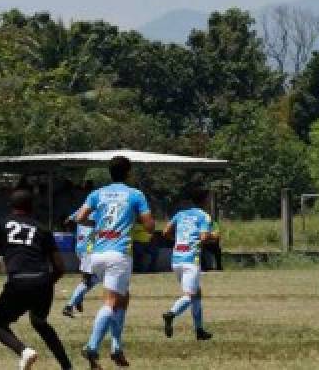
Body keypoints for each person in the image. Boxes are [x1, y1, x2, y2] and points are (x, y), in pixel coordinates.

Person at [72, 155, 154, 369]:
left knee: (123, 298)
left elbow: (79, 218)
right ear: (128, 172)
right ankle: (91, 346)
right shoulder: (135, 195)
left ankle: (117, 348)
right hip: (118, 255)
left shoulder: (97, 194)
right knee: (110, 302)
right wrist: (137, 220)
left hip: (97, 254)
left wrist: (97, 222)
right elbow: (149, 226)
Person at [0, 188, 74, 370]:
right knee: (40, 323)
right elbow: (60, 267)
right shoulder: (42, 228)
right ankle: (67, 366)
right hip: (42, 280)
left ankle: (24, 351)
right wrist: (45, 283)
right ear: (31, 207)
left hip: (18, 281)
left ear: (11, 207)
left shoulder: (0, 225)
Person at [161, 190, 218, 341]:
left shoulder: (181, 214)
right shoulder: (203, 215)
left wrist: (179, 239)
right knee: (190, 296)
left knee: (196, 293)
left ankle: (199, 330)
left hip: (177, 259)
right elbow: (204, 237)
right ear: (205, 201)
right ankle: (171, 314)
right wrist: (213, 236)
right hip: (191, 259)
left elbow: (165, 232)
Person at [61, 212, 98, 318]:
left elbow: (67, 221)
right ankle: (69, 306)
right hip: (89, 248)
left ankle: (78, 298)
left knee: (91, 278)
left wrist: (77, 232)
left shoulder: (82, 209)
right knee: (90, 279)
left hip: (80, 247)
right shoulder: (99, 211)